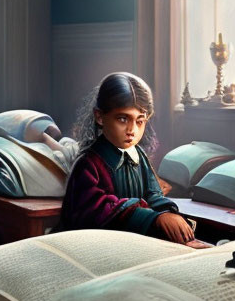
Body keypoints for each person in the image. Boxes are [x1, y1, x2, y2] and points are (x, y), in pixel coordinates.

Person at [59, 72, 195, 244]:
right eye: (123, 119)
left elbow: (153, 194)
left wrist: (166, 213)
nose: (132, 130)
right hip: (97, 245)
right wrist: (152, 218)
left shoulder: (140, 157)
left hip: (135, 242)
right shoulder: (88, 164)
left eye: (139, 121)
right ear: (100, 117)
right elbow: (96, 210)